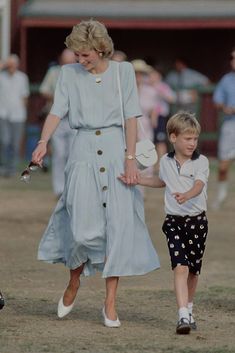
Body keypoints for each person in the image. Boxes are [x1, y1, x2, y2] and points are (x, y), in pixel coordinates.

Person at [31, 19, 160, 327]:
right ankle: (74, 281)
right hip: (83, 151)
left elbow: (131, 116)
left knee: (117, 226)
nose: (80, 60)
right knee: (80, 227)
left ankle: (110, 302)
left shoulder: (123, 71)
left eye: (85, 54)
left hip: (117, 151)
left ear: (102, 49)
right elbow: (57, 110)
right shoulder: (68, 74)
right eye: (77, 54)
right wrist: (43, 141)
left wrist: (130, 159)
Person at [119, 111, 209, 334]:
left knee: (193, 271)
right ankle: (182, 316)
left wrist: (187, 195)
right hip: (173, 222)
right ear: (173, 137)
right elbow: (162, 181)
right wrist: (138, 179)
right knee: (180, 267)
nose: (192, 143)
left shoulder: (202, 162)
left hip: (198, 223)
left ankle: (189, 308)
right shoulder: (166, 161)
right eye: (188, 138)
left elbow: (199, 185)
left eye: (195, 138)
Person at [39, 49, 76, 197]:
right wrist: (59, 99)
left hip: (74, 119)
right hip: (57, 118)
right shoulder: (54, 72)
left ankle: (71, 189)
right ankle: (59, 189)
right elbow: (44, 90)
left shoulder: (79, 72)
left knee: (73, 154)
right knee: (59, 154)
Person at [212, 48, 235, 209]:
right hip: (230, 125)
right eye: (232, 58)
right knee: (223, 166)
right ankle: (221, 196)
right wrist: (223, 107)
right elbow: (217, 101)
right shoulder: (226, 80)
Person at [0, 54, 30, 177]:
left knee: (15, 143)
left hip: (18, 115)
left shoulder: (22, 78)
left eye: (13, 64)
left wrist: (22, 110)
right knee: (4, 140)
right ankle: (3, 166)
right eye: (9, 64)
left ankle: (11, 169)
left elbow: (25, 95)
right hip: (3, 113)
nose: (11, 67)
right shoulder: (1, 77)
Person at [148, 66, 176, 160]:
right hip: (146, 117)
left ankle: (161, 163)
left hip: (160, 117)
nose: (151, 77)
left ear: (159, 76)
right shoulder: (146, 87)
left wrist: (161, 92)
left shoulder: (162, 86)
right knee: (149, 140)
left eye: (153, 75)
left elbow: (172, 98)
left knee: (160, 140)